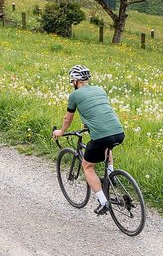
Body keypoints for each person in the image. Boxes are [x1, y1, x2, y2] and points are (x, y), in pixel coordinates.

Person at [52, 64, 125, 215]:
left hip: (101, 136)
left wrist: (61, 131)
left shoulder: (74, 96)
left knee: (87, 166)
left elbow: (68, 118)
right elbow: (99, 110)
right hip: (118, 131)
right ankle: (111, 175)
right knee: (107, 146)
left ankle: (103, 202)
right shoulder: (100, 89)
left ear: (75, 81)